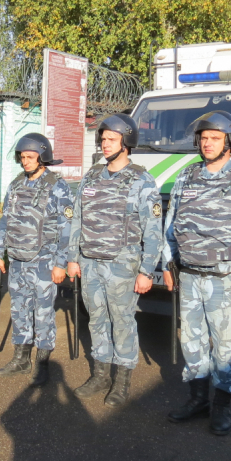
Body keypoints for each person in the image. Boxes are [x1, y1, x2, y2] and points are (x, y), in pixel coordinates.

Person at [162, 111, 231, 436]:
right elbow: (172, 224)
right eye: (204, 138)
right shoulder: (186, 176)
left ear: (229, 141)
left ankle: (222, 406)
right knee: (192, 341)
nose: (208, 143)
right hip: (190, 275)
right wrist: (168, 265)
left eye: (215, 137)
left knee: (226, 346)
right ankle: (198, 400)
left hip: (228, 279)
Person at [66, 114, 164, 407]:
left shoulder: (142, 181)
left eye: (111, 139)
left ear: (127, 141)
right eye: (103, 139)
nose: (104, 144)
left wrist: (147, 270)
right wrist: (73, 258)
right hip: (90, 262)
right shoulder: (92, 176)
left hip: (122, 264)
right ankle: (101, 374)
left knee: (122, 322)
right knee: (96, 319)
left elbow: (153, 230)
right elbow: (77, 220)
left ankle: (121, 380)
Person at [0, 133, 74, 386]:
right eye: (22, 157)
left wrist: (61, 263)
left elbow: (67, 227)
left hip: (44, 261)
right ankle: (21, 358)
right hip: (17, 259)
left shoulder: (58, 186)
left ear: (42, 157)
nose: (25, 161)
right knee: (18, 309)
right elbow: (5, 220)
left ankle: (42, 362)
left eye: (30, 157)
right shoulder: (16, 185)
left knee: (43, 313)